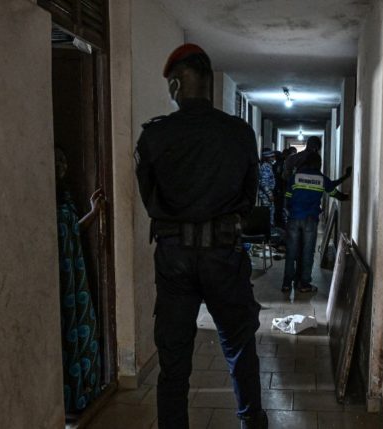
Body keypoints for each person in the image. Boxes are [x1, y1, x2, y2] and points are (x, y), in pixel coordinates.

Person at [134, 43, 268, 429]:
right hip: (223, 254)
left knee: (173, 362)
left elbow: (149, 197)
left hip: (174, 258)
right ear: (209, 84)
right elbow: (247, 196)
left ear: (176, 85)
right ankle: (251, 423)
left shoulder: (154, 138)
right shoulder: (239, 134)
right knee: (240, 348)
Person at [54, 147, 105, 414]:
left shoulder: (64, 197)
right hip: (58, 274)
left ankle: (83, 391)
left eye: (62, 163)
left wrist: (94, 211)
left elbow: (73, 227)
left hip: (73, 270)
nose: (61, 169)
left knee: (79, 323)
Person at [283, 152, 351, 292]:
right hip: (310, 220)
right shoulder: (321, 179)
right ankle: (304, 284)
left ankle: (286, 284)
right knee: (308, 252)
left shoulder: (295, 178)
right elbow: (335, 193)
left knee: (291, 252)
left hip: (294, 218)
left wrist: (292, 212)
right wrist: (347, 185)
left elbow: (287, 199)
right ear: (318, 164)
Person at [257, 149, 276, 227]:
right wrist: (269, 194)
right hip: (265, 195)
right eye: (272, 157)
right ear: (267, 157)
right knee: (267, 214)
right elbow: (264, 183)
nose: (273, 158)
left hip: (267, 194)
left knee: (270, 213)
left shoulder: (268, 166)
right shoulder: (265, 167)